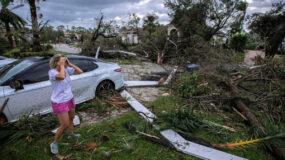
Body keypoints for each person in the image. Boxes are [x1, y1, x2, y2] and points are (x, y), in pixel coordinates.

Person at [48, 54, 83, 154]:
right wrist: (63, 66)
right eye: (62, 60)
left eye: (64, 60)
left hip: (69, 98)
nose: (64, 62)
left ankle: (71, 134)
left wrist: (69, 64)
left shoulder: (66, 69)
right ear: (56, 62)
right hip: (59, 102)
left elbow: (80, 71)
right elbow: (62, 77)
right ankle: (54, 143)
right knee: (64, 124)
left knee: (71, 118)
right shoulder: (52, 72)